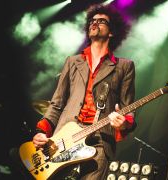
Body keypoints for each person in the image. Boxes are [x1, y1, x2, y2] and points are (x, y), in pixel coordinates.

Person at [31, 4, 137, 180]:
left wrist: (123, 124)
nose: (95, 23)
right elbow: (57, 103)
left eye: (102, 21)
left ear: (111, 32)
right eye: (92, 21)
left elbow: (128, 108)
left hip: (100, 141)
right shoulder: (72, 62)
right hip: (64, 138)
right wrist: (41, 132)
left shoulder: (124, 66)